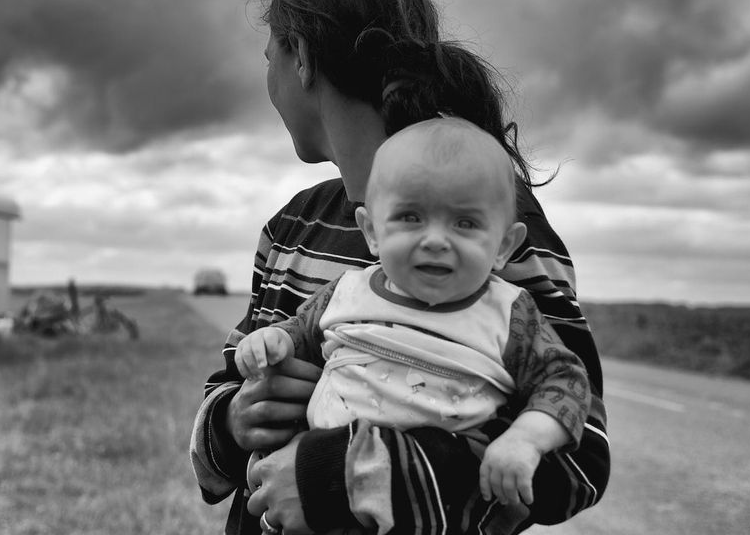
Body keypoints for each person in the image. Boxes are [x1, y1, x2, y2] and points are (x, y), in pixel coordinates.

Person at [190, 0, 610, 535]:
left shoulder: (494, 227)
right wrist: (234, 419)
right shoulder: (291, 230)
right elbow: (230, 382)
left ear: (302, 59)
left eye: (268, 57)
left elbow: (581, 458)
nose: (436, 238)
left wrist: (335, 478)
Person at [233, 118, 591, 528]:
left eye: (465, 223)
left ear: (503, 246)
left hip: (424, 509)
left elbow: (567, 381)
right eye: (410, 217)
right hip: (309, 501)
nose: (435, 239)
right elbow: (298, 333)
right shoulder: (346, 291)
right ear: (371, 232)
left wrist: (525, 438)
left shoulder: (510, 314)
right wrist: (271, 340)